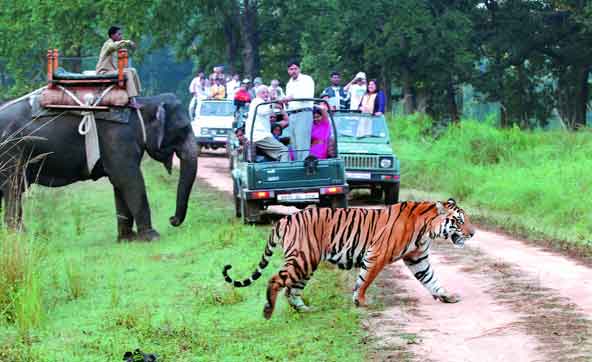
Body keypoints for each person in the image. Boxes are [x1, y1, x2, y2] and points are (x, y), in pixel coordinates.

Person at [96, 26, 142, 108]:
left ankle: (137, 95)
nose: (121, 36)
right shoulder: (108, 44)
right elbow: (113, 46)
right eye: (119, 34)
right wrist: (127, 42)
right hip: (104, 72)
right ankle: (132, 100)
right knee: (127, 72)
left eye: (121, 34)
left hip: (112, 71)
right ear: (112, 35)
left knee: (133, 70)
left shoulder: (116, 46)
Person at [246, 85, 289, 161]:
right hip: (260, 136)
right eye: (263, 93)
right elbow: (263, 111)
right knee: (284, 150)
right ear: (258, 94)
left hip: (260, 136)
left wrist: (276, 104)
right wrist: (274, 105)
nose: (266, 94)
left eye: (267, 92)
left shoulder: (263, 103)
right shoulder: (257, 101)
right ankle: (284, 171)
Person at [282, 59, 315, 160]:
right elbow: (289, 100)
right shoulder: (289, 83)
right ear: (288, 71)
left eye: (295, 68)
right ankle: (297, 164)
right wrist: (285, 102)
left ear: (299, 69)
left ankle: (303, 166)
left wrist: (291, 97)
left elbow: (307, 95)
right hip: (292, 114)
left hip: (304, 112)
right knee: (294, 142)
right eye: (291, 69)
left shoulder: (306, 79)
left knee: (302, 142)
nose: (293, 71)